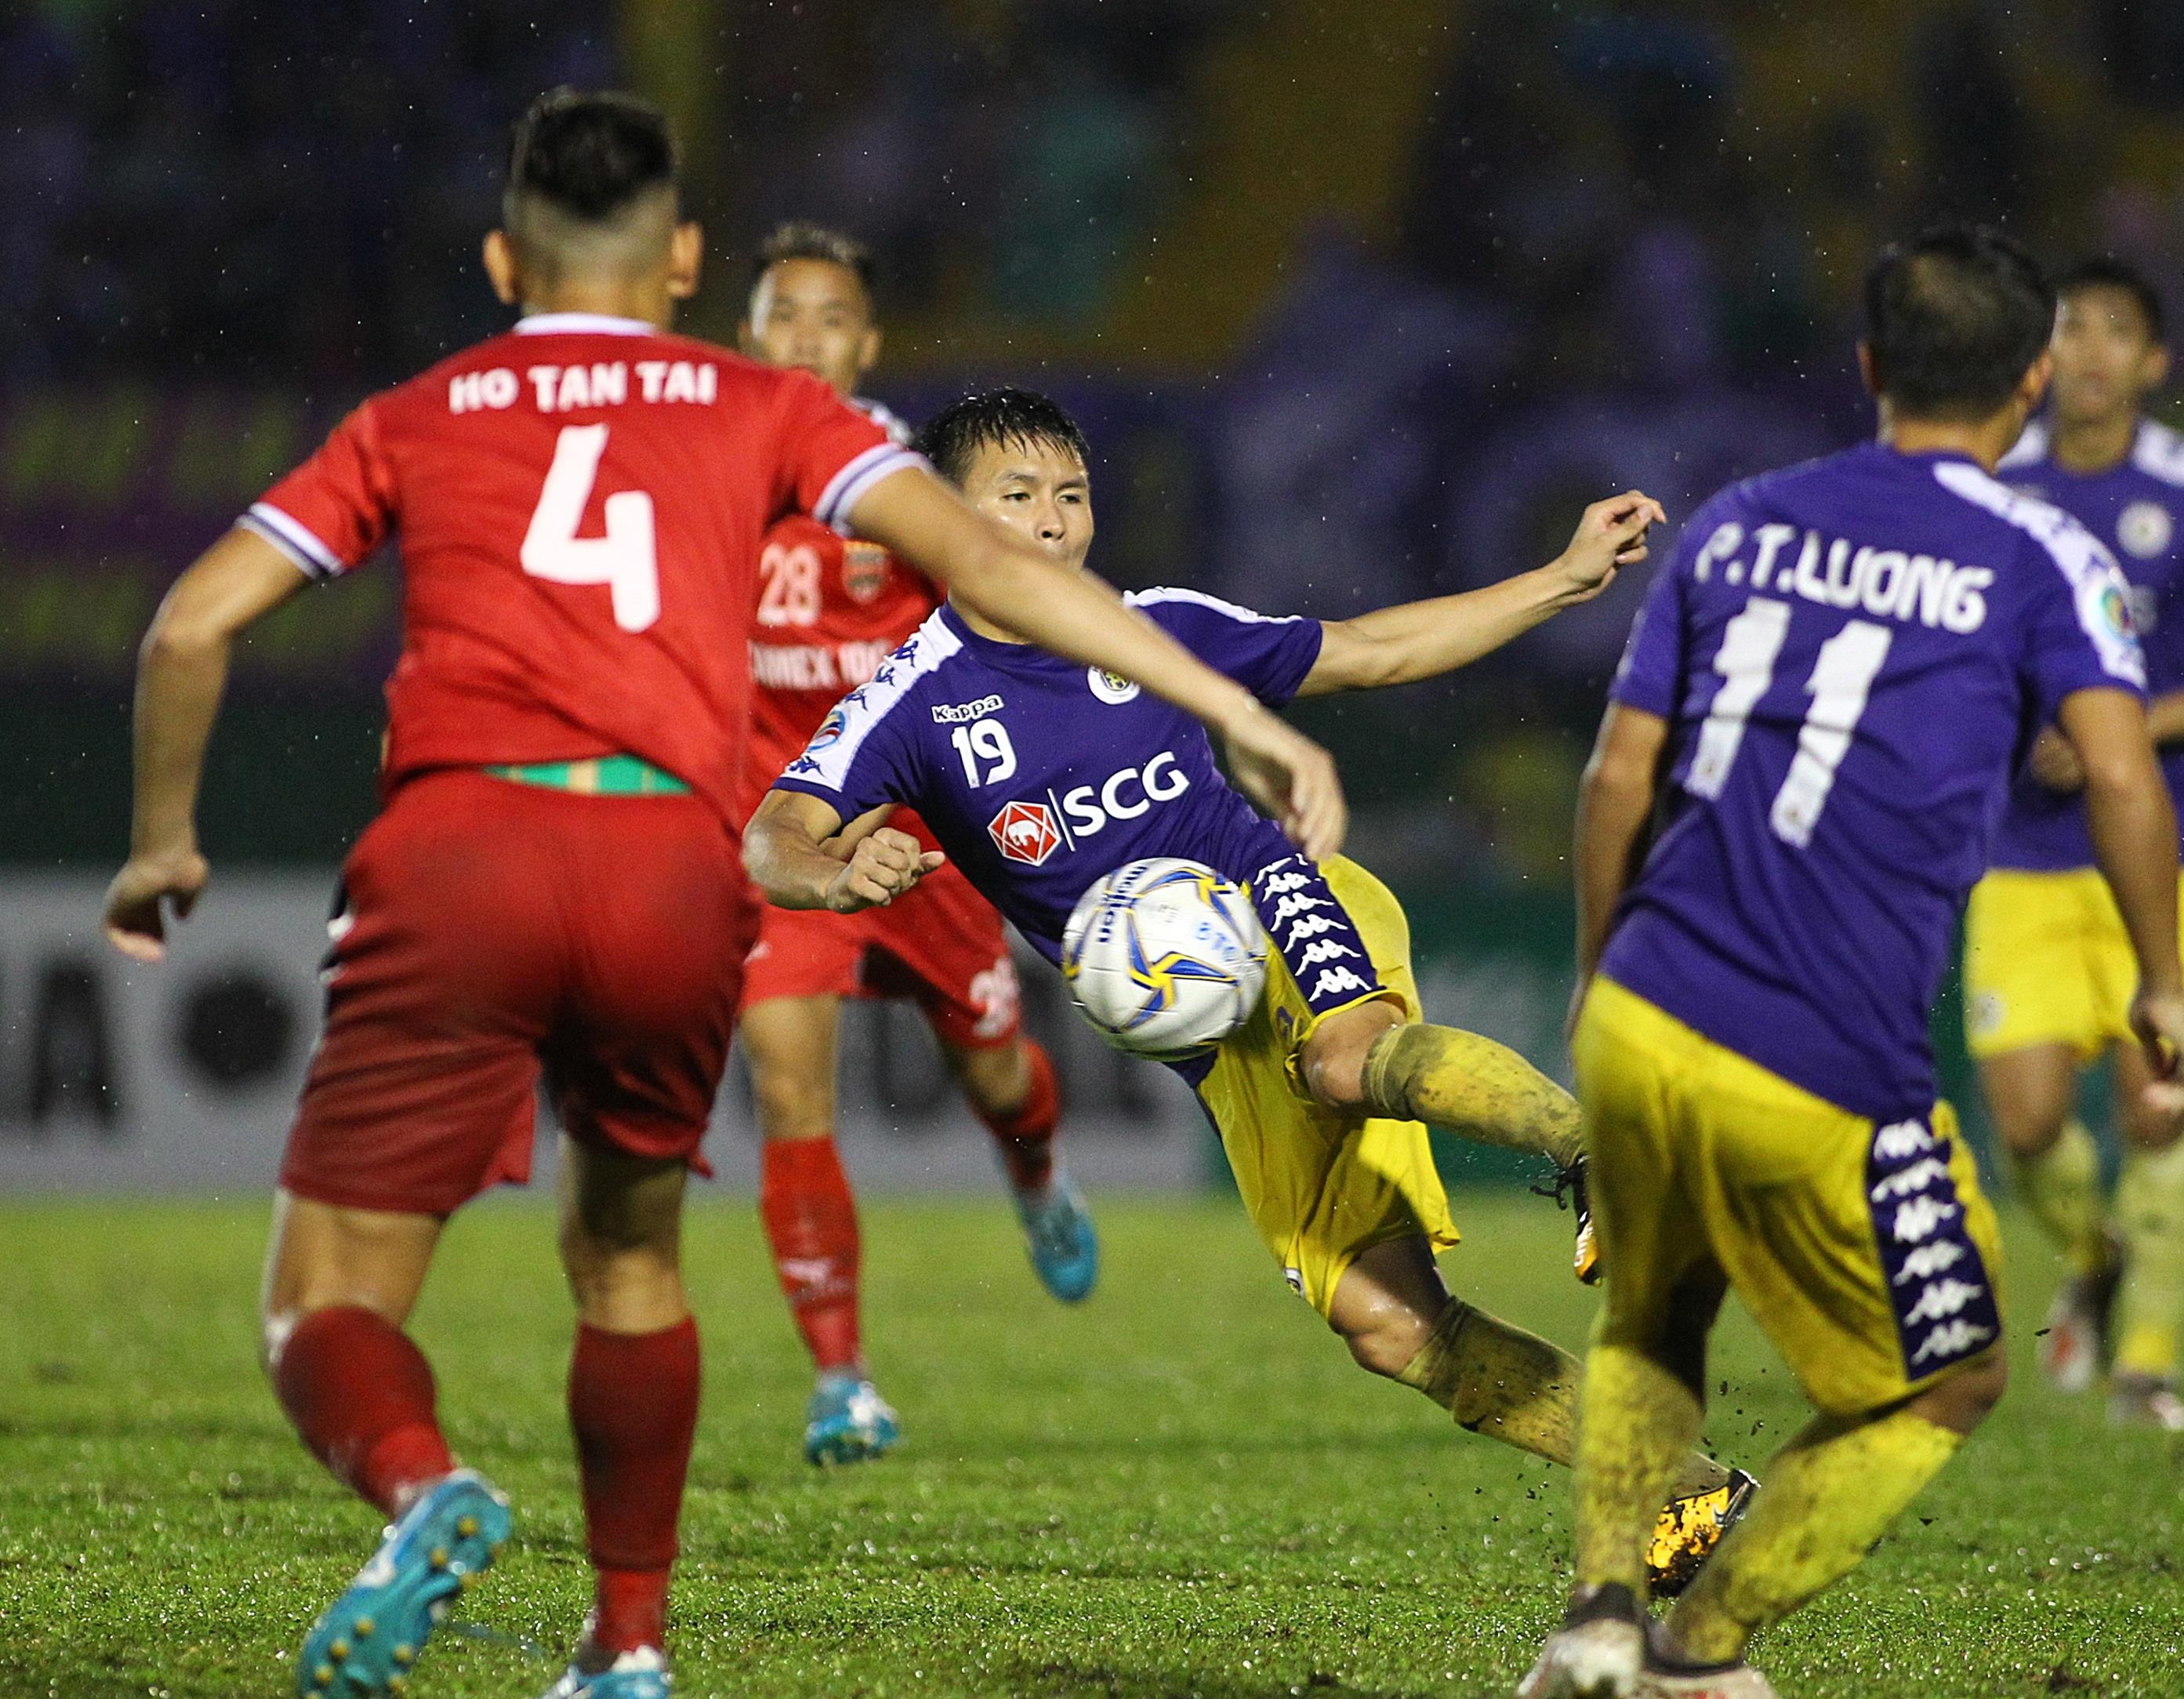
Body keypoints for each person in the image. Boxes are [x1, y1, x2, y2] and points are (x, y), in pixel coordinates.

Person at [98, 93, 1348, 1699]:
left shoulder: (420, 411)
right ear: (687, 262)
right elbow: (999, 568)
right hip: (678, 863)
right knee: (631, 1260)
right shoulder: (764, 410)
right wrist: (1236, 706)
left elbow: (190, 628)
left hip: (474, 844)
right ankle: (631, 1642)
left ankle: (422, 1483)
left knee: (325, 1300)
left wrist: (163, 843)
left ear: (502, 262)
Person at [744, 387, 1757, 1598]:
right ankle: (1683, 1488)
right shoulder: (912, 702)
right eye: (1017, 497)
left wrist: (1561, 580)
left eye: (1072, 495)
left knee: (1344, 1057)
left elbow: (1369, 650)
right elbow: (773, 835)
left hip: (1281, 894)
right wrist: (834, 873)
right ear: (940, 520)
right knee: (1388, 1324)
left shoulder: (1154, 627)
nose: (1054, 522)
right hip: (1210, 1044)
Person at [1533, 228, 2184, 1699]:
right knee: (1953, 1378)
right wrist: (2163, 981)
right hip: (1822, 1041)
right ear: (2030, 384)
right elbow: (2121, 773)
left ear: (1870, 367)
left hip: (1644, 999)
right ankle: (1698, 1653)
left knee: (1655, 1307)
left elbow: (1616, 775)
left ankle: (1594, 1619)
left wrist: (1596, 974)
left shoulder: (1741, 521)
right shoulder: (2043, 556)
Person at [732, 223, 1095, 1469]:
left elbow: (999, 622)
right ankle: (842, 1382)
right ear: (747, 336)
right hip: (786, 831)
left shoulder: (905, 483)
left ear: (868, 342)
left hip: (922, 829)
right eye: (784, 316)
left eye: (831, 319)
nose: (807, 340)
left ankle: (1037, 1176)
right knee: (789, 1085)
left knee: (996, 1076)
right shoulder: (703, 482)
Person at [1968, 257, 2184, 1431]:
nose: (2091, 351)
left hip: (2162, 844)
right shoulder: (1996, 483)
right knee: (2026, 1125)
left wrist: (2130, 726)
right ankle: (2096, 1257)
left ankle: (2146, 1369)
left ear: (2155, 362)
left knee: (2157, 1106)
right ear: (2040, 357)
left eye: (2117, 331)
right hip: (2017, 849)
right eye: (2070, 329)